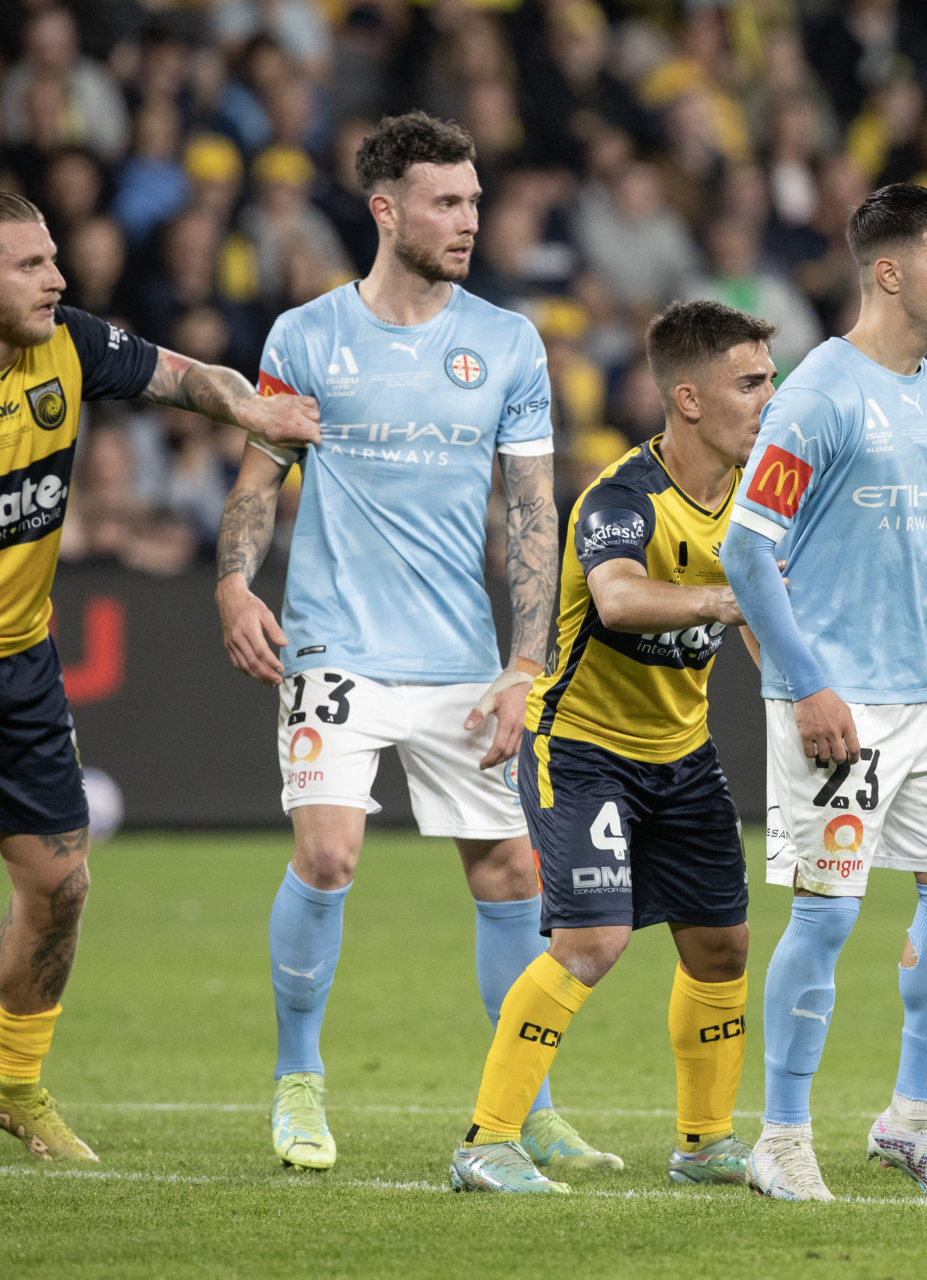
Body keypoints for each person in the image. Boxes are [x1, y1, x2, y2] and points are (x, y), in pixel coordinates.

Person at [0, 188, 319, 1173]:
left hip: (24, 667)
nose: (58, 278)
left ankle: (10, 1084)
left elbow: (190, 377)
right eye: (33, 264)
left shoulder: (66, 344)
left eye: (56, 259)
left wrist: (249, 403)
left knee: (62, 884)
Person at [212, 111, 614, 1175]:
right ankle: (299, 1079)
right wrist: (231, 583)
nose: (471, 219)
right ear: (386, 210)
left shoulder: (508, 341)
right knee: (328, 849)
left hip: (458, 657)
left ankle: (524, 1099)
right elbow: (260, 478)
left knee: (510, 873)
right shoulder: (305, 337)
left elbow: (534, 516)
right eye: (449, 200)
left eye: (476, 200)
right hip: (336, 644)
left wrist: (524, 666)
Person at [721, 183, 927, 1201]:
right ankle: (782, 1136)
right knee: (830, 912)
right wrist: (806, 683)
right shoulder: (817, 393)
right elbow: (747, 551)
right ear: (888, 271)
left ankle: (915, 1119)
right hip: (840, 699)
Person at [451, 301, 776, 1195]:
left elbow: (762, 617)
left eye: (770, 379)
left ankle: (705, 1144)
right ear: (690, 399)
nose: (768, 398)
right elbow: (621, 601)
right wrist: (721, 602)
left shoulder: (754, 498)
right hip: (583, 748)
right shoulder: (620, 498)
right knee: (592, 943)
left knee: (723, 945)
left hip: (683, 753)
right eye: (750, 382)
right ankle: (487, 1140)